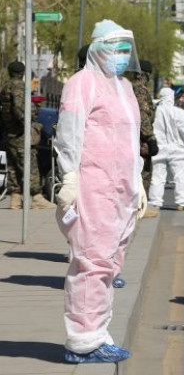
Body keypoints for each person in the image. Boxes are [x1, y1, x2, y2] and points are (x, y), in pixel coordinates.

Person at [54, 19, 146, 364]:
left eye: (126, 50)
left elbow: (130, 139)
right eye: (116, 49)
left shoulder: (123, 87)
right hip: (93, 186)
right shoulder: (82, 84)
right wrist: (70, 178)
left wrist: (136, 180)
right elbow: (69, 133)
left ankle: (98, 334)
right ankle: (82, 341)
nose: (122, 56)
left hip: (120, 188)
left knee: (107, 264)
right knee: (91, 263)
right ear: (97, 49)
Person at [0, 61, 52, 209]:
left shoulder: (5, 86)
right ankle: (37, 198)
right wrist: (29, 124)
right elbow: (19, 109)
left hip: (9, 133)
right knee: (30, 163)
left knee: (13, 166)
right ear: (23, 73)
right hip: (20, 133)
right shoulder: (19, 87)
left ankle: (15, 199)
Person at [148, 87, 184, 212]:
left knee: (157, 176)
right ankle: (182, 202)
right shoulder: (180, 113)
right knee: (182, 176)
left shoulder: (154, 113)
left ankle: (155, 202)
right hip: (179, 149)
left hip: (159, 147)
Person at [131, 60, 159, 218]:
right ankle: (140, 206)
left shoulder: (128, 87)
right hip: (140, 140)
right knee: (144, 171)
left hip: (132, 137)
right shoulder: (140, 91)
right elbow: (143, 115)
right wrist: (150, 138)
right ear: (146, 75)